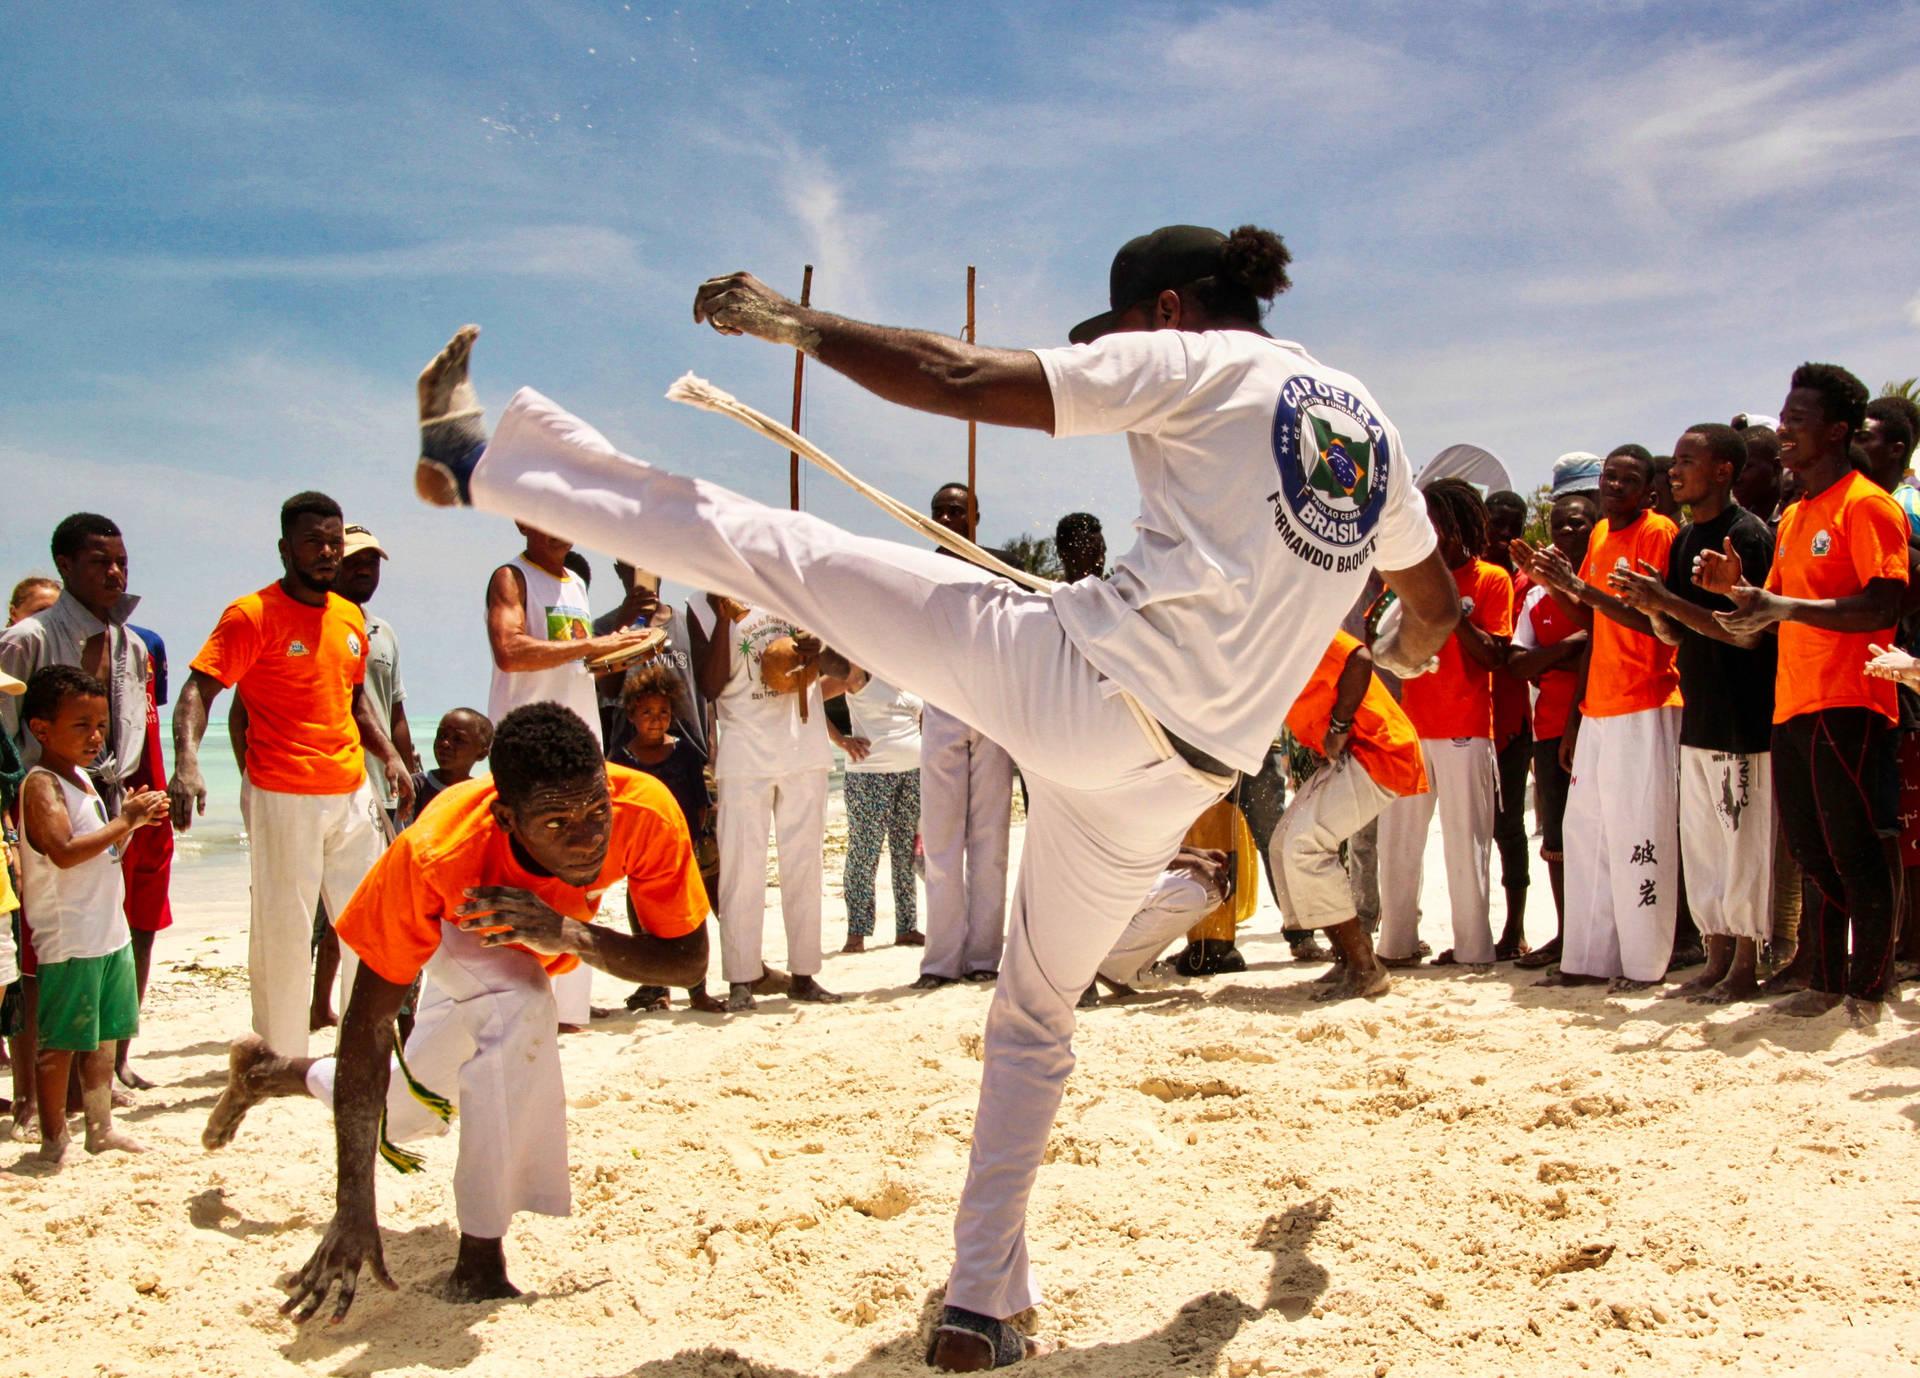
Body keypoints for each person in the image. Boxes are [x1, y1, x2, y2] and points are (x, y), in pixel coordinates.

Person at [407, 218, 1457, 1365]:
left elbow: (962, 377)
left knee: (778, 551)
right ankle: (979, 1302)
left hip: (1079, 684)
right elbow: (1436, 613)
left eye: (1117, 329)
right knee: (1037, 1010)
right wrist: (1394, 646)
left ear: (1164, 310)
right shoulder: (1378, 439)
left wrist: (795, 324)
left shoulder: (1197, 360)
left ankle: (483, 464)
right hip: (1179, 775)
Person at [201, 703, 709, 1312]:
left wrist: (566, 933)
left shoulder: (643, 809)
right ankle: (480, 1258)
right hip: (451, 921)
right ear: (506, 815)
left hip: (538, 931)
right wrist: (354, 1208)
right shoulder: (433, 855)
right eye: (555, 823)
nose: (587, 837)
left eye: (596, 811)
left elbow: (689, 962)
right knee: (520, 1001)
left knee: (408, 1108)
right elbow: (366, 1026)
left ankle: (270, 1072)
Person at [1698, 364, 1907, 1023]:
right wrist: (1736, 591)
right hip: (1792, 702)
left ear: (1838, 431)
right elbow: (1774, 610)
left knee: (1855, 850)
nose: (1783, 431)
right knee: (1814, 854)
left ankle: (1868, 990)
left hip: (1851, 698)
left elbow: (1885, 604)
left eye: (1797, 420)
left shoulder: (1867, 504)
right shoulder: (1794, 516)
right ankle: (1825, 980)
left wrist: (1778, 603)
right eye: (1783, 419)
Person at [169, 492, 412, 1057]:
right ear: (285, 548)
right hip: (282, 791)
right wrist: (186, 763)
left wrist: (392, 757)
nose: (328, 553)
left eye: (333, 542)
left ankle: (363, 1043)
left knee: (367, 921)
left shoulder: (349, 616)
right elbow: (197, 692)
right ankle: (282, 1054)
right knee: (284, 928)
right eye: (314, 542)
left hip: (350, 789)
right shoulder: (251, 614)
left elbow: (354, 702)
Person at [1607, 424, 1778, 1003]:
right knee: (1705, 842)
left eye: (1687, 461)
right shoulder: (1684, 540)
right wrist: (1651, 606)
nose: (1674, 471)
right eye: (1674, 461)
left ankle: (1745, 965)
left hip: (1744, 715)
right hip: (1701, 710)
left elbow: (1745, 632)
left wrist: (1665, 601)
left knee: (1741, 842)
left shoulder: (1746, 535)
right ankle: (1716, 957)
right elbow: (1677, 631)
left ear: (1724, 471)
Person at [1, 514, 163, 1094]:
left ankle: (98, 1076)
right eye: (100, 562)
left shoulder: (131, 644)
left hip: (104, 808)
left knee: (102, 943)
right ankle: (28, 1096)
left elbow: (123, 735)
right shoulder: (28, 640)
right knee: (37, 956)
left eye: (121, 561)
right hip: (34, 814)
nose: (115, 572)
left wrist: (134, 810)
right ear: (65, 566)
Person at [1515, 446, 1683, 990]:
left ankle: (1644, 963)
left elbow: (1652, 618)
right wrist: (1557, 582)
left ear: (1649, 492)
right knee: (1587, 834)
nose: (1614, 485)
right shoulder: (1602, 537)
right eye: (1609, 476)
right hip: (1600, 706)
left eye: (1627, 479)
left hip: (1646, 700)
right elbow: (1589, 619)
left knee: (1640, 835)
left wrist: (1579, 586)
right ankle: (1588, 959)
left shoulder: (1657, 532)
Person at [487, 523, 652, 1027]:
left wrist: (620, 649)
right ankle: (525, 997)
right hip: (529, 751)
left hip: (580, 748)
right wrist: (592, 647)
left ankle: (569, 1004)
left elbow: (578, 666)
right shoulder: (511, 578)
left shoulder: (575, 586)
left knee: (582, 870)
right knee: (524, 872)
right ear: (520, 520)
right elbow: (510, 650)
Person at [16, 666, 168, 1166]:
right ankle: (53, 1137)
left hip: (107, 930)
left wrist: (131, 823)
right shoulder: (41, 784)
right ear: (42, 730)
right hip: (71, 936)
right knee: (61, 1040)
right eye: (81, 725)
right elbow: (61, 850)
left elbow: (99, 853)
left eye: (100, 725)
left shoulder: (79, 778)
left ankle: (100, 1127)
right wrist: (125, 820)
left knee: (104, 1033)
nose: (96, 736)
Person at [1376, 479, 1512, 968]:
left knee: (1465, 844)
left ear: (1457, 527)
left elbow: (1496, 656)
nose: (1427, 533)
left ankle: (1475, 949)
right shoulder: (1410, 580)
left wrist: (1448, 605)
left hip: (1465, 729)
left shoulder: (1492, 579)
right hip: (1412, 728)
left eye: (1434, 523)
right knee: (1398, 845)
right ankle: (1396, 944)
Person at [691, 595, 840, 1010]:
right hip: (744, 754)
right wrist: (723, 621)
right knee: (741, 869)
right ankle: (741, 979)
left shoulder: (785, 587)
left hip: (802, 750)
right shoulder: (699, 603)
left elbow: (835, 663)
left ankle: (805, 975)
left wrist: (817, 648)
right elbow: (709, 685)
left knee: (804, 866)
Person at [1272, 632, 1428, 1000]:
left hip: (1377, 748)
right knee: (1283, 844)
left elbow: (1359, 657)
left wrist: (1339, 726)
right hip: (1351, 752)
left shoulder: (1300, 620)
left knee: (1304, 845)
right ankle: (1347, 958)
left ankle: (1364, 967)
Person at [915, 483, 1015, 991]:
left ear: (976, 516)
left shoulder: (1002, 564)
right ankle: (939, 961)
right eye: (940, 511)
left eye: (958, 510)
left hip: (992, 707)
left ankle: (982, 957)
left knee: (990, 839)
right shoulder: (919, 567)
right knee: (941, 841)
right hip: (942, 702)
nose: (948, 518)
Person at [1508, 491, 1596, 970]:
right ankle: (1567, 934)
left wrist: (1559, 653)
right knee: (1557, 840)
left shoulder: (1603, 583)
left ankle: (1596, 934)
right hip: (1548, 727)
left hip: (1599, 722)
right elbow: (1519, 661)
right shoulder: (1536, 593)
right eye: (1558, 526)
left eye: (1577, 525)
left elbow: (1603, 633)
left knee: (1600, 833)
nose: (1566, 533)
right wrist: (1572, 647)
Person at [610, 661, 724, 1012]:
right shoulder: (621, 760)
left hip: (682, 856)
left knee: (690, 923)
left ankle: (697, 991)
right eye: (647, 712)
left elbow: (701, 805)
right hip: (641, 859)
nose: (656, 719)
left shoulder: (686, 754)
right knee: (643, 925)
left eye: (663, 712)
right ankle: (655, 986)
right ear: (631, 714)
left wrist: (697, 846)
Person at [830, 654, 925, 954]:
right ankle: (856, 931)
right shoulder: (862, 670)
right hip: (869, 775)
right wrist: (842, 741)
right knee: (864, 851)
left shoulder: (910, 672)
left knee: (905, 849)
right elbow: (807, 695)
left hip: (912, 773)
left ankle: (907, 927)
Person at [1483, 488, 1535, 950]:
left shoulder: (1527, 584)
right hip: (1469, 718)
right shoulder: (1465, 576)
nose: (1502, 536)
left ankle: (1514, 929)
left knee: (1508, 827)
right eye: (1495, 525)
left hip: (1513, 722)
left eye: (1511, 527)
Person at [410, 709, 494, 821]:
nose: (445, 743)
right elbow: (401, 834)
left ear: (481, 754)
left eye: (458, 739)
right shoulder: (417, 786)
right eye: (441, 735)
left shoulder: (481, 795)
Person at [1055, 512, 1106, 583]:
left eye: (1103, 552)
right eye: (1092, 552)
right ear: (1065, 555)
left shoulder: (1114, 593)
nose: (1101, 561)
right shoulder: (1048, 593)